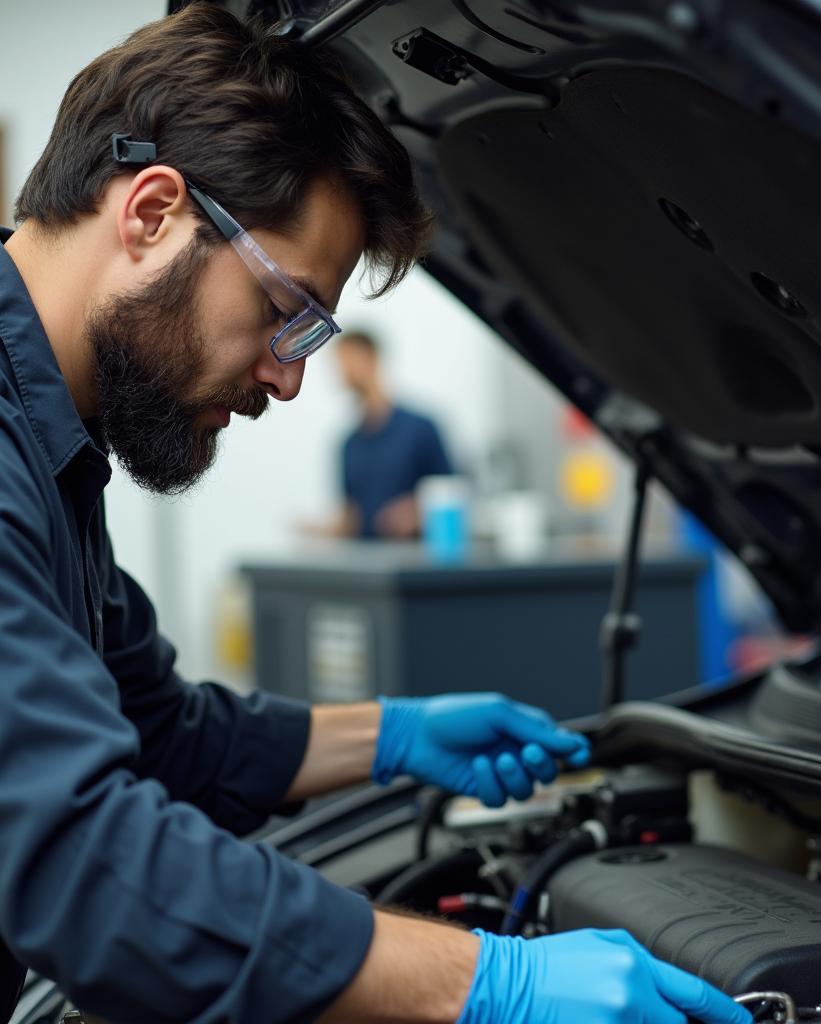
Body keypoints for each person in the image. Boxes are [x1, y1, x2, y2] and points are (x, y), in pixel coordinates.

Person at [0, 6, 752, 1024]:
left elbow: (163, 733)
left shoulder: (52, 451)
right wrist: (489, 981)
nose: (289, 378)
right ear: (150, 214)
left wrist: (392, 734)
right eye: (284, 309)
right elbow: (85, 865)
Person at [334, 330, 454, 539]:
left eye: (348, 358)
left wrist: (415, 512)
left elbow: (452, 492)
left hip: (415, 560)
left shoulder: (421, 428)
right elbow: (351, 517)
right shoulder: (348, 445)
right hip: (367, 564)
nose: (342, 369)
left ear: (371, 357)